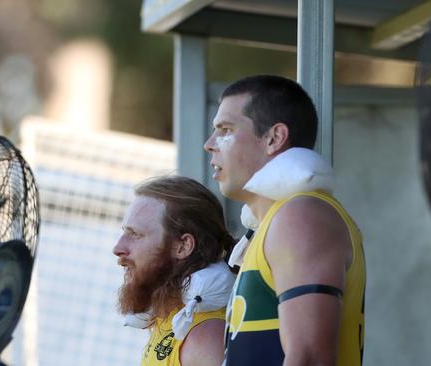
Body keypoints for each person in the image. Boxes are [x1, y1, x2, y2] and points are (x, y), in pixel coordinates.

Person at [204, 75, 366, 366]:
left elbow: (311, 358)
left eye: (225, 130)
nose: (209, 144)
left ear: (274, 138)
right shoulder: (272, 223)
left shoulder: (301, 216)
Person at [113, 175, 236, 366]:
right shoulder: (171, 316)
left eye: (135, 235)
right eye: (124, 232)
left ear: (183, 246)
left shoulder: (204, 338)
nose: (118, 247)